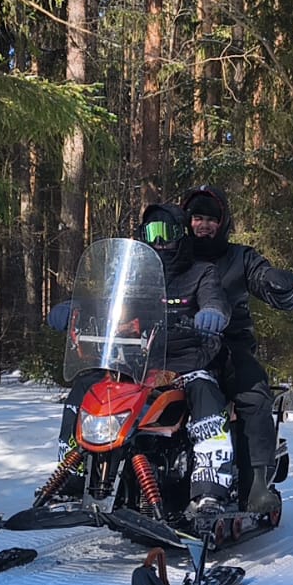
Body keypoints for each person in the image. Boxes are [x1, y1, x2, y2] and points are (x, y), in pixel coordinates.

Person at [49, 203, 235, 514]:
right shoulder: (134, 277)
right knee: (86, 386)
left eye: (166, 233)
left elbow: (215, 299)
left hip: (186, 363)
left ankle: (210, 485)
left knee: (205, 390)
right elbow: (107, 303)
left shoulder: (202, 272)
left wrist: (213, 313)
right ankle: (72, 474)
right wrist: (75, 309)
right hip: (136, 365)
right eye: (152, 232)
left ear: (181, 235)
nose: (159, 241)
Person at [180, 185, 293, 514]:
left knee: (253, 393)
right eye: (197, 218)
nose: (203, 225)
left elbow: (262, 279)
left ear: (222, 223)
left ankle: (256, 486)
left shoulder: (239, 257)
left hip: (228, 348)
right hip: (175, 348)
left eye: (211, 219)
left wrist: (281, 285)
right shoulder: (174, 255)